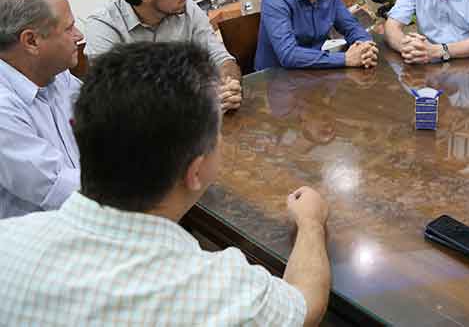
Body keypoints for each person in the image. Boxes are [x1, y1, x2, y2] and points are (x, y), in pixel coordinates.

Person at [0, 42, 331, 326]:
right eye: (217, 133)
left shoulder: (9, 240)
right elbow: (305, 307)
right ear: (195, 171)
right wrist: (311, 224)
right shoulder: (218, 290)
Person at [85, 0, 242, 112]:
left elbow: (222, 59)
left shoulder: (187, 8)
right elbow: (119, 101)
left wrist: (228, 86)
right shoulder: (103, 28)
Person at [0, 0, 83, 219]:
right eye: (69, 28)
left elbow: (107, 120)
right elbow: (57, 188)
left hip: (79, 216)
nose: (79, 36)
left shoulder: (59, 75)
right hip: (36, 233)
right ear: (31, 41)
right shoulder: (3, 109)